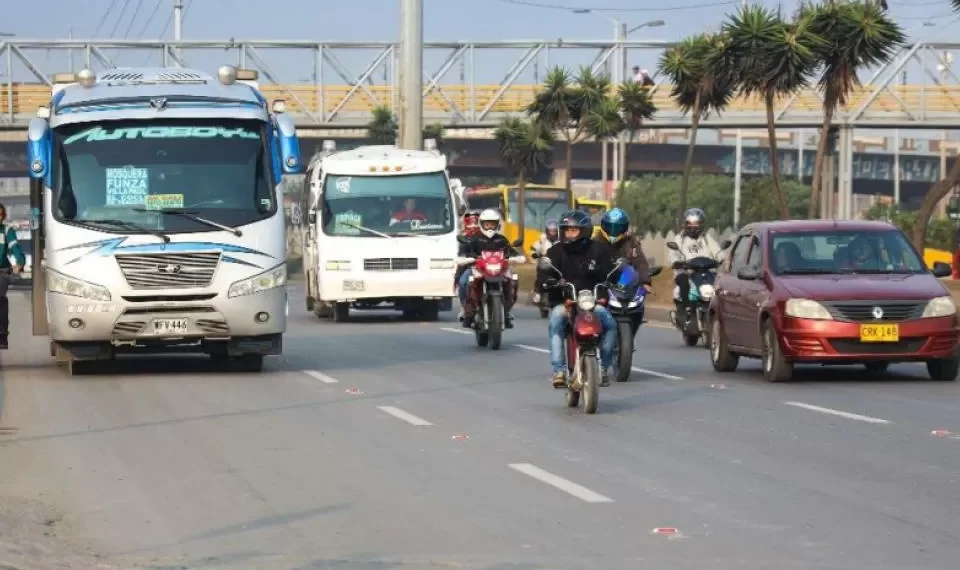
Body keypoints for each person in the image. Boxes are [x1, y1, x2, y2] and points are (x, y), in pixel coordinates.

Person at [542, 209, 617, 388]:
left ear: (584, 231)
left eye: (574, 230)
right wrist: (549, 282)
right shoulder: (555, 251)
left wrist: (613, 280)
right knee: (555, 321)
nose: (570, 234)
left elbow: (610, 270)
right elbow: (545, 273)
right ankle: (559, 370)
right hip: (565, 302)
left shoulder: (598, 250)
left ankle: (604, 367)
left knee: (610, 323)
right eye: (567, 230)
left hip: (592, 302)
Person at [456, 208, 525, 328]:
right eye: (487, 224)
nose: (489, 227)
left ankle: (507, 311)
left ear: (497, 224)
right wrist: (464, 257)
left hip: (499, 270)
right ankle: (467, 311)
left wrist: (517, 257)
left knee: (513, 280)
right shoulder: (474, 239)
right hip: (477, 269)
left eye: (492, 224)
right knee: (463, 281)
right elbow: (464, 252)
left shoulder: (501, 239)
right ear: (481, 224)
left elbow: (511, 251)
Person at [668, 208, 723, 316]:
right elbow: (673, 253)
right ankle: (686, 309)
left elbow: (718, 251)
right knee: (683, 281)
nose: (693, 227)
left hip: (706, 272)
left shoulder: (707, 238)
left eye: (696, 224)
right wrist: (676, 262)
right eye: (690, 224)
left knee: (721, 284)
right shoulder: (680, 239)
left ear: (701, 224)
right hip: (686, 272)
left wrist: (722, 259)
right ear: (685, 224)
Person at [596, 207, 653, 288]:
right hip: (600, 286)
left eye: (617, 228)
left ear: (625, 228)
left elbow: (640, 262)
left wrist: (645, 281)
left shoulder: (631, 242)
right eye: (610, 227)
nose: (613, 231)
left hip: (624, 286)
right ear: (603, 226)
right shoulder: (596, 241)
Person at [0, 203, 25, 350]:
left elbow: (15, 247)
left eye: (1, 215)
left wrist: (20, 262)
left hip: (2, 271)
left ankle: (2, 336)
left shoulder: (7, 230)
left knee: (0, 299)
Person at [454, 209, 481, 319]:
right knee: (463, 281)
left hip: (489, 267)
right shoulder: (464, 239)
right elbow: (462, 256)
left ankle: (505, 309)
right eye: (470, 223)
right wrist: (466, 259)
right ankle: (465, 308)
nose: (473, 226)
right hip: (472, 268)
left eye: (476, 222)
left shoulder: (489, 236)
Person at [531, 218, 559, 302]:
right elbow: (535, 247)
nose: (552, 233)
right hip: (544, 263)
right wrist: (536, 253)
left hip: (557, 264)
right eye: (550, 231)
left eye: (554, 231)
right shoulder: (542, 239)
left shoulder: (561, 240)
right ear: (547, 231)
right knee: (540, 276)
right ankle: (537, 292)